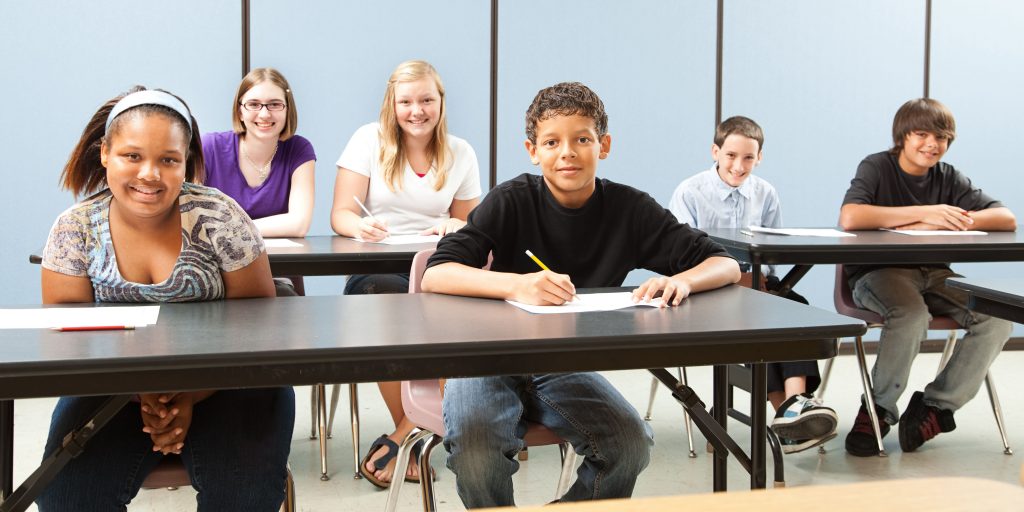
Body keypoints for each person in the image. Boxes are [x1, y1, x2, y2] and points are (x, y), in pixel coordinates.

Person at [421, 82, 740, 508]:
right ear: (533, 151)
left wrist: (683, 280)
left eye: (582, 140)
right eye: (552, 142)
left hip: (561, 365)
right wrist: (518, 285)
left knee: (629, 445)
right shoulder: (511, 200)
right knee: (478, 453)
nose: (567, 153)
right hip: (485, 356)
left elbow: (725, 264)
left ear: (603, 145)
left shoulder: (630, 209)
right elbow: (436, 274)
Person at [37, 87, 294, 511]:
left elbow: (258, 328)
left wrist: (190, 393)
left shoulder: (220, 218)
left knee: (242, 497)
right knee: (67, 498)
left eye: (168, 160)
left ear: (186, 162)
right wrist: (147, 395)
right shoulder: (75, 230)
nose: (150, 174)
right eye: (132, 156)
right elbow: (71, 343)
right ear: (105, 154)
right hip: (111, 388)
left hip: (229, 382)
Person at [329, 60, 482, 487]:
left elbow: (470, 223)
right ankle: (420, 430)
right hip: (378, 268)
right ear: (392, 104)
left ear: (441, 102)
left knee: (458, 316)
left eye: (427, 100)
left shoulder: (461, 152)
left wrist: (455, 225)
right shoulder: (368, 140)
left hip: (437, 266)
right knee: (385, 311)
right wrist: (359, 226)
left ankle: (405, 435)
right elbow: (341, 214)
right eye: (406, 102)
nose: (417, 111)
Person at [838, 98, 1015, 456]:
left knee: (997, 317)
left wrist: (952, 219)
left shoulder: (948, 176)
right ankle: (878, 410)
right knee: (910, 314)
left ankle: (935, 407)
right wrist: (925, 213)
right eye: (921, 134)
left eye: (941, 137)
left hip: (935, 274)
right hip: (879, 272)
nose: (932, 144)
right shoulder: (877, 166)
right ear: (902, 136)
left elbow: (1006, 218)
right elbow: (851, 217)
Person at [668, 116, 838, 454]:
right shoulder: (690, 192)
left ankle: (792, 404)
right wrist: (737, 277)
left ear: (759, 157)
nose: (739, 165)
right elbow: (680, 260)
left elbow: (772, 252)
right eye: (731, 155)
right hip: (706, 289)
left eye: (748, 157)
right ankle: (790, 413)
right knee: (765, 319)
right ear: (715, 152)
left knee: (796, 309)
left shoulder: (765, 193)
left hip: (756, 285)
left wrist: (755, 279)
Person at [202, 67, 316, 296]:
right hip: (218, 273)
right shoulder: (210, 147)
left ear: (287, 109)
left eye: (274, 104)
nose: (264, 114)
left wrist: (232, 230)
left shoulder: (299, 149)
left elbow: (299, 224)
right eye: (254, 104)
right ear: (240, 111)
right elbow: (192, 221)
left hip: (278, 276)